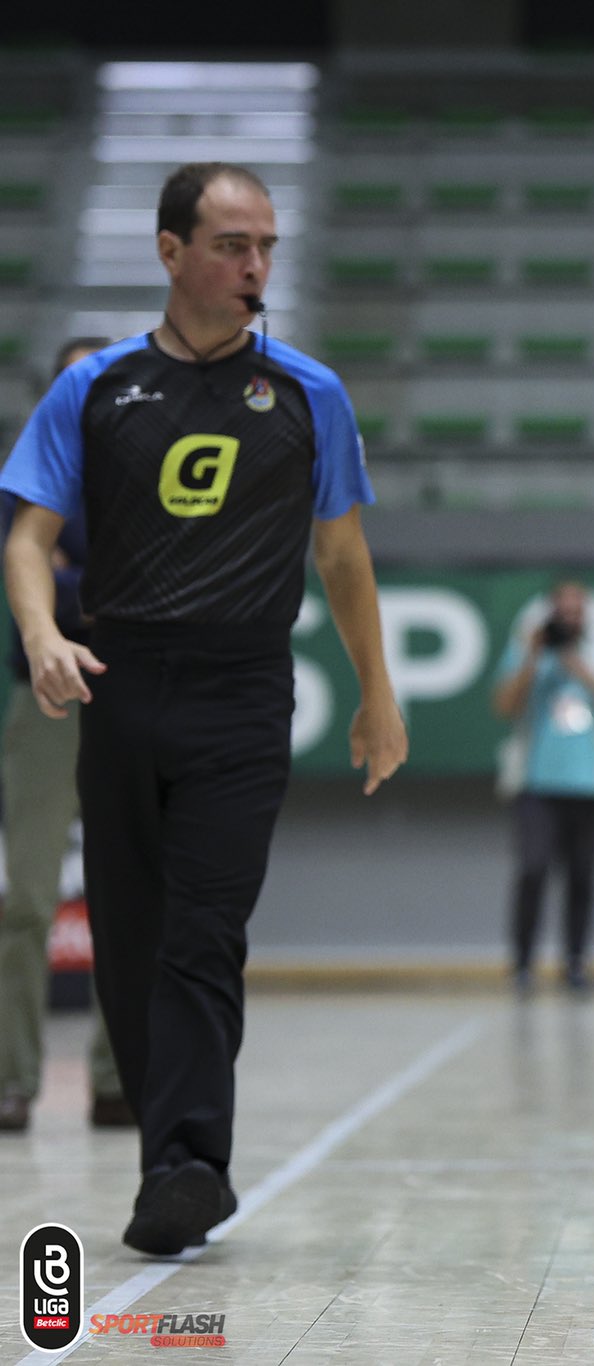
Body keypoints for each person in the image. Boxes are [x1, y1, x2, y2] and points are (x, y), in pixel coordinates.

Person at [0, 161, 409, 1255]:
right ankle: (166, 1154)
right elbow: (28, 537)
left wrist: (378, 693)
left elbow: (344, 557)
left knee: (201, 933)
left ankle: (188, 1165)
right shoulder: (94, 391)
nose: (256, 266)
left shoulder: (310, 394)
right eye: (232, 245)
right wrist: (43, 636)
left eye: (267, 245)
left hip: (241, 693)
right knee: (132, 945)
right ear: (171, 252)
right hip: (118, 687)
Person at [0, 337, 130, 1134]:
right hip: (45, 701)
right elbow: (27, 585)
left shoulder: (148, 478)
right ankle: (13, 1077)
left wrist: (69, 576)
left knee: (130, 899)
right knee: (27, 899)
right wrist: (83, 582)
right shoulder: (26, 477)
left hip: (130, 699)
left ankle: (117, 1082)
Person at [491, 578, 594, 994]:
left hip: (593, 781)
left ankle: (576, 962)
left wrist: (583, 671)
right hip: (538, 781)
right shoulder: (532, 650)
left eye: (577, 611)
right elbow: (504, 705)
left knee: (583, 875)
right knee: (533, 868)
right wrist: (534, 657)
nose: (570, 618)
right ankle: (523, 963)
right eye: (563, 610)